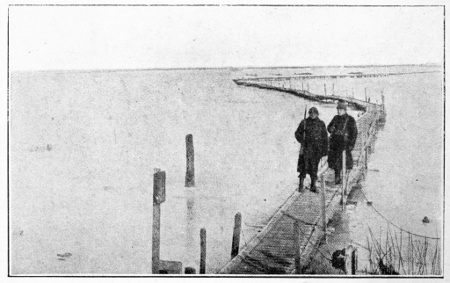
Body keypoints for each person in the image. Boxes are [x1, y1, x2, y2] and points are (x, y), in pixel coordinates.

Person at [295, 107, 328, 192]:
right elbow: (297, 133)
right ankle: (301, 185)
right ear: (309, 114)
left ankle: (313, 186)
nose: (312, 115)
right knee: (303, 168)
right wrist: (302, 139)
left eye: (314, 113)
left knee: (314, 168)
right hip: (306, 148)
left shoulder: (321, 124)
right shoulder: (304, 122)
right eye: (311, 113)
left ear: (317, 114)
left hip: (316, 150)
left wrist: (324, 150)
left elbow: (325, 138)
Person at [327, 101, 358, 185]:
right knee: (335, 163)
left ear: (344, 110)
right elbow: (329, 127)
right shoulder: (335, 118)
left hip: (345, 145)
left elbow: (354, 133)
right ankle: (337, 177)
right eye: (338, 109)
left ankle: (345, 179)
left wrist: (351, 145)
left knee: (345, 163)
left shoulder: (350, 119)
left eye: (340, 110)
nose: (338, 111)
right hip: (335, 144)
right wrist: (331, 129)